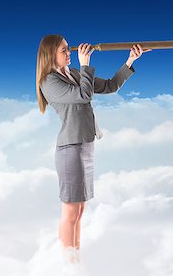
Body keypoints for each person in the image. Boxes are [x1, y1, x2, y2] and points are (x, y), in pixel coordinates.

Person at [35, 34, 151, 264]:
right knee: (69, 213)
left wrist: (130, 61)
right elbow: (83, 95)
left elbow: (109, 86)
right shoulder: (49, 82)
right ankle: (69, 267)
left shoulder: (74, 74)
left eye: (69, 49)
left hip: (85, 146)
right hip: (70, 149)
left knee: (79, 211)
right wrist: (85, 64)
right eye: (64, 51)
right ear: (50, 55)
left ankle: (75, 258)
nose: (70, 53)